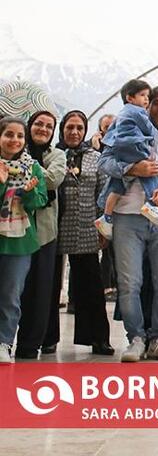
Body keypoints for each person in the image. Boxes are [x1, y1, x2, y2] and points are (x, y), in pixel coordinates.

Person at [99, 85, 158, 363]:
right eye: (157, 103)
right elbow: (105, 161)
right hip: (127, 216)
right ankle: (136, 338)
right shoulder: (124, 125)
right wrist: (132, 169)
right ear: (146, 104)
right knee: (129, 283)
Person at [51, 111, 113, 355]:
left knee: (90, 285)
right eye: (69, 127)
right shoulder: (53, 155)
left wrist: (103, 229)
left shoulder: (95, 158)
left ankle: (97, 338)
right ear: (62, 129)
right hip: (54, 228)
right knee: (49, 284)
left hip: (86, 227)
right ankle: (47, 338)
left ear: (85, 130)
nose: (74, 132)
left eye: (79, 128)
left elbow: (104, 194)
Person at [14, 111, 65, 359]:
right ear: (29, 126)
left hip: (44, 233)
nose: (43, 129)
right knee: (11, 287)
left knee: (40, 291)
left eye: (48, 126)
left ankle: (29, 344)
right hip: (12, 229)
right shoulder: (16, 149)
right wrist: (34, 174)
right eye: (38, 124)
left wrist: (22, 169)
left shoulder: (58, 155)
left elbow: (54, 179)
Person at [0, 116, 49, 363]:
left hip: (19, 242)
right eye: (9, 134)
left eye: (20, 136)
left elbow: (40, 201)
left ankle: (4, 343)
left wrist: (29, 193)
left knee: (10, 295)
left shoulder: (33, 168)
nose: (15, 140)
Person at [96, 79, 158, 236]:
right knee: (150, 170)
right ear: (130, 97)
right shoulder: (136, 111)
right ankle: (151, 203)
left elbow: (111, 134)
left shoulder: (122, 113)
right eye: (143, 95)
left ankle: (106, 216)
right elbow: (147, 127)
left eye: (148, 96)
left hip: (121, 148)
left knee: (118, 183)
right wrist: (155, 135)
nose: (146, 100)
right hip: (132, 146)